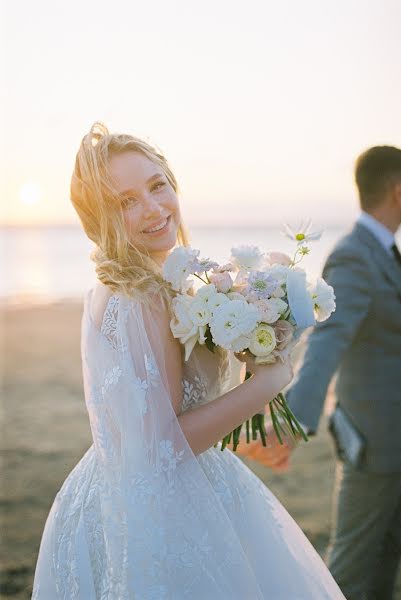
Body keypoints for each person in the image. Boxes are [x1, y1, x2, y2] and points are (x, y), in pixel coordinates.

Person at [31, 122, 346, 599]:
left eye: (158, 186)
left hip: (131, 484)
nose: (155, 208)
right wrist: (267, 382)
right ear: (101, 220)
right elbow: (163, 447)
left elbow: (161, 415)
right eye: (126, 201)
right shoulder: (139, 297)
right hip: (162, 507)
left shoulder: (151, 284)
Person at [241, 145, 401, 600]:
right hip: (373, 445)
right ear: (397, 190)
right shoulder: (356, 255)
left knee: (386, 563)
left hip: (396, 439)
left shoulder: (386, 252)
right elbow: (328, 340)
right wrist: (294, 421)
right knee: (350, 573)